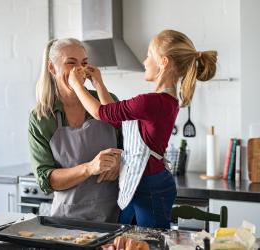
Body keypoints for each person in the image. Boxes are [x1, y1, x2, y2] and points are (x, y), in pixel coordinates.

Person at [69, 30, 217, 228]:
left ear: (163, 62)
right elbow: (116, 118)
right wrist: (98, 83)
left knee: (151, 241)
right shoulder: (163, 101)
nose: (145, 61)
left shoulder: (151, 102)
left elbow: (100, 113)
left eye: (149, 55)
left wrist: (77, 86)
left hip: (150, 185)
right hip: (141, 181)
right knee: (126, 236)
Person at [28, 38, 124, 223]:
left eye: (84, 63)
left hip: (117, 218)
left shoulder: (107, 101)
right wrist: (89, 168)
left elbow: (134, 149)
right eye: (71, 63)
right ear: (52, 68)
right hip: (67, 222)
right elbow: (47, 180)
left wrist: (122, 160)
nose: (79, 69)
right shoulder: (41, 118)